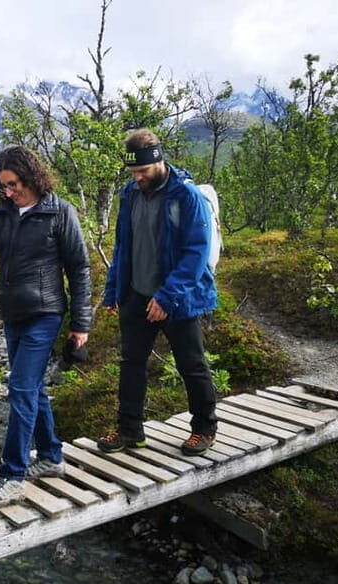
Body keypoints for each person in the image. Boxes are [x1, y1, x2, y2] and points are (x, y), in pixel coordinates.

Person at [0, 145, 92, 507]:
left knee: (22, 388)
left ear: (31, 176)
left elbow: (79, 270)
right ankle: (51, 456)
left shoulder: (60, 213)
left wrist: (81, 324)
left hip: (46, 314)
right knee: (33, 390)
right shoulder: (2, 215)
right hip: (13, 315)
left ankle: (11, 475)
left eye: (13, 184)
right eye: (3, 186)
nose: (9, 192)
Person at [99, 128, 218, 456]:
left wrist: (166, 298)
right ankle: (130, 431)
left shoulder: (185, 196)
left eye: (143, 171)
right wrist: (113, 291)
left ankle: (204, 428)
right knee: (131, 362)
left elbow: (196, 252)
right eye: (133, 172)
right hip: (137, 294)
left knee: (191, 363)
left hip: (178, 298)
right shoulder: (130, 193)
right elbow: (123, 245)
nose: (137, 177)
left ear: (159, 161)